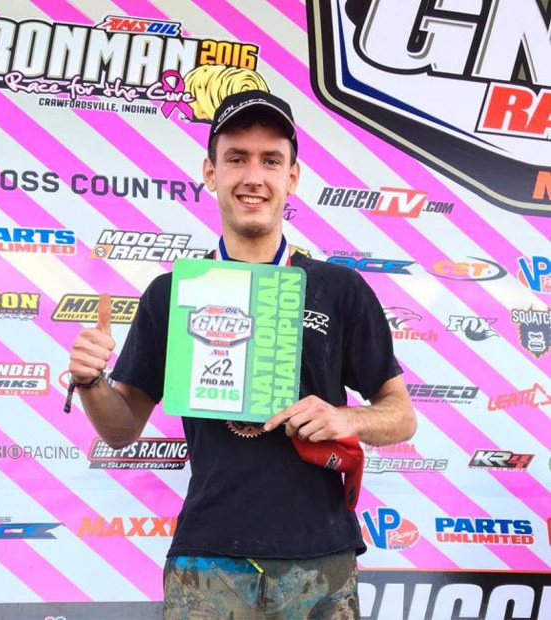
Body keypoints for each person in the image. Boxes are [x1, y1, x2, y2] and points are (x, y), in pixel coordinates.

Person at [68, 90, 416, 619]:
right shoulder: (172, 293)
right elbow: (121, 430)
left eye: (271, 160)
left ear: (292, 177)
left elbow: (402, 414)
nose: (254, 176)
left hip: (320, 558)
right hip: (208, 559)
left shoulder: (340, 289)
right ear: (210, 172)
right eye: (237, 158)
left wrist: (347, 418)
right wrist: (91, 381)